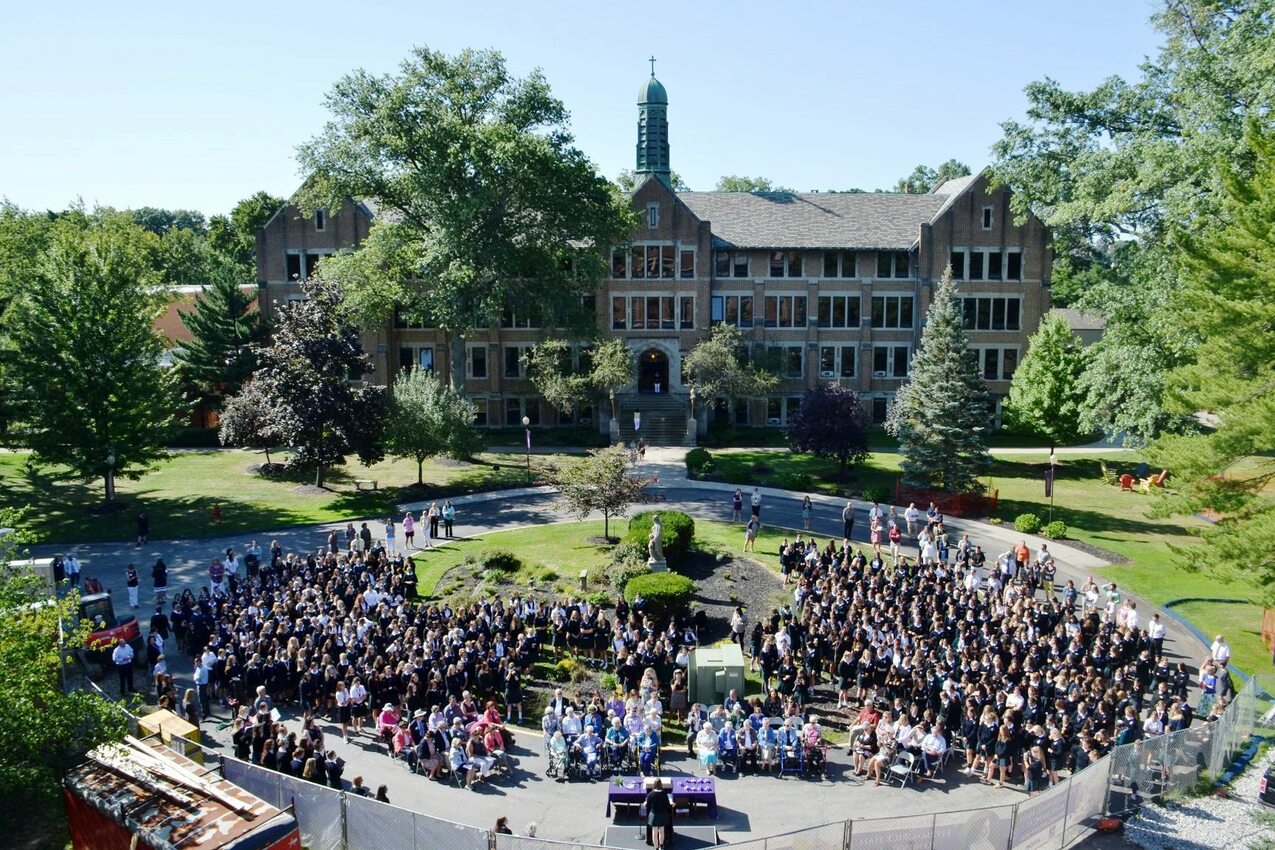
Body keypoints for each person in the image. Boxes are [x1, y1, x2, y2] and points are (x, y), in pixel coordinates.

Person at [645, 780, 674, 850]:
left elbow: (647, 805)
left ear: (654, 785)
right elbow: (667, 805)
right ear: (661, 785)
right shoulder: (664, 794)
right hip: (662, 815)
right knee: (661, 831)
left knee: (654, 832)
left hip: (654, 815)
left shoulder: (651, 794)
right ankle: (661, 845)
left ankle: (656, 848)